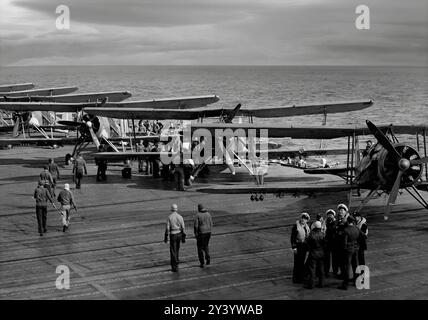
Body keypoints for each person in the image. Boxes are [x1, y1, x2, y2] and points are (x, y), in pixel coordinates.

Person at [338, 215, 360, 290]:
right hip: (355, 249)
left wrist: (344, 249)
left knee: (347, 266)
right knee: (355, 265)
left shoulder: (346, 230)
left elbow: (344, 243)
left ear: (347, 221)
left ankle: (345, 284)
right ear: (353, 221)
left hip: (348, 250)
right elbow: (364, 236)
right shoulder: (356, 228)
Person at [164, 204, 186, 272]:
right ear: (177, 209)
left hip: (173, 234)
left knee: (173, 250)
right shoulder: (180, 217)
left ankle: (174, 266)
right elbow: (183, 227)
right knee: (177, 249)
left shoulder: (169, 217)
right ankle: (177, 263)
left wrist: (166, 236)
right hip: (179, 234)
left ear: (171, 209)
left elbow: (167, 228)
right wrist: (183, 237)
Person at [290, 212, 310, 283]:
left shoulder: (307, 227)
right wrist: (294, 247)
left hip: (304, 247)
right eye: (302, 218)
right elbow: (292, 238)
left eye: (304, 219)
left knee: (301, 262)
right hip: (298, 246)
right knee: (297, 263)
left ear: (307, 220)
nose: (302, 220)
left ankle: (300, 277)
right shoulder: (296, 226)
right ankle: (295, 278)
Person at [305, 221, 326, 289]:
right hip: (321, 253)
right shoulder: (323, 234)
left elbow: (307, 243)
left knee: (312, 269)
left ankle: (311, 284)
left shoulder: (312, 235)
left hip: (313, 253)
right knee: (321, 269)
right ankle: (321, 283)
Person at [194, 204, 213, 268]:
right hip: (208, 232)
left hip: (201, 233)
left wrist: (195, 233)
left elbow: (196, 226)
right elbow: (211, 223)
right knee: (206, 245)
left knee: (200, 248)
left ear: (199, 208)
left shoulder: (198, 215)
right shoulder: (208, 214)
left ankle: (202, 262)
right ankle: (208, 258)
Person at [324, 209, 338, 277]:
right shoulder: (324, 222)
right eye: (328, 215)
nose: (330, 216)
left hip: (334, 243)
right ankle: (326, 271)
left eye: (331, 215)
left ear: (333, 215)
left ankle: (335, 271)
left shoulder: (336, 222)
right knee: (327, 258)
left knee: (335, 258)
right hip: (327, 243)